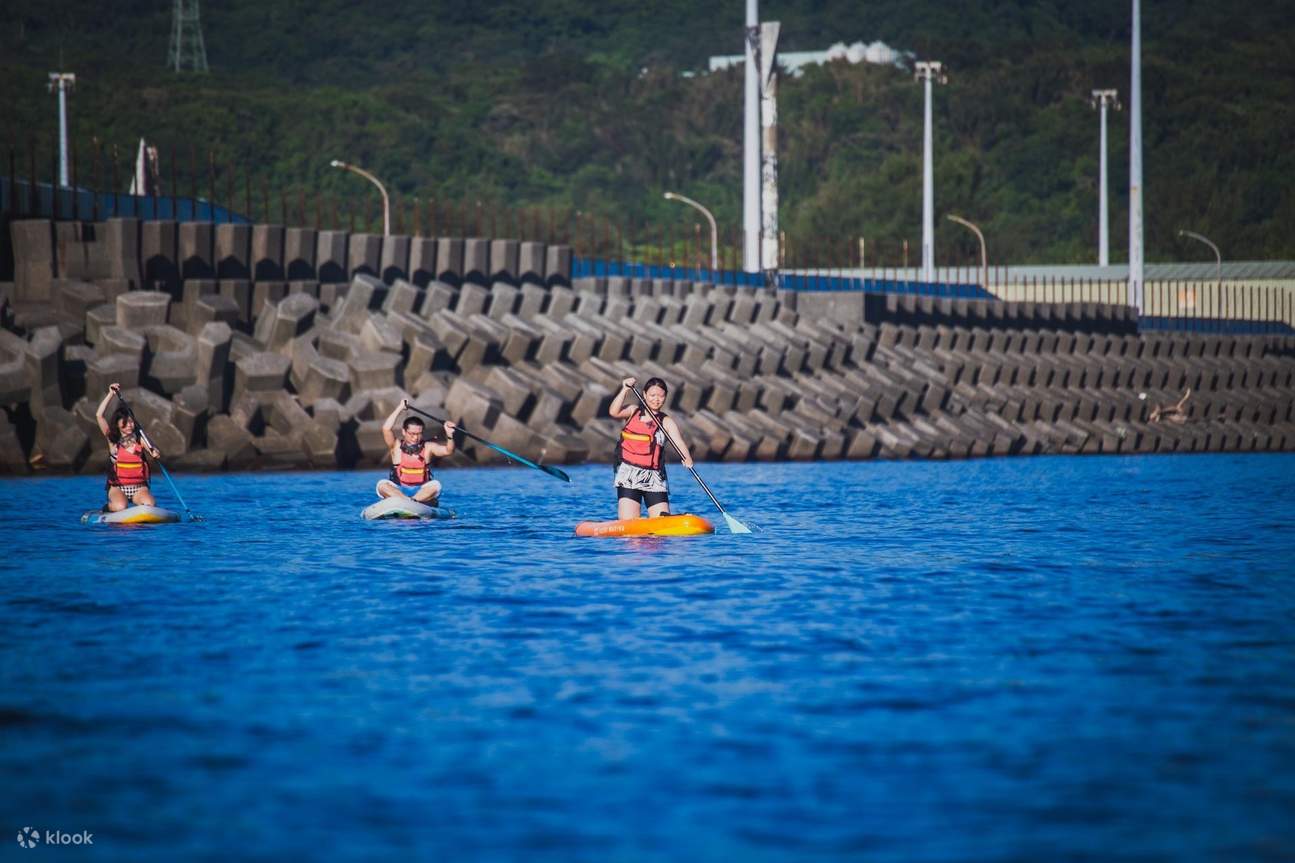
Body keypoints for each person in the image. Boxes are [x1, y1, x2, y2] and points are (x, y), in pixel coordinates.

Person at [608, 376, 696, 520]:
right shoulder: (633, 411)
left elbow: (679, 442)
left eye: (661, 396)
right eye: (652, 395)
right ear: (644, 395)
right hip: (628, 475)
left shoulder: (666, 421)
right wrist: (624, 389)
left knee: (661, 522)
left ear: (665, 397)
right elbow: (614, 412)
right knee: (629, 525)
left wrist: (687, 458)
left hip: (654, 477)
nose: (656, 399)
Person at [95, 383, 161, 511]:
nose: (129, 425)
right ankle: (108, 508)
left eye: (131, 421)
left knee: (150, 505)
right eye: (125, 422)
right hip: (117, 486)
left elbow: (152, 449)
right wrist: (110, 394)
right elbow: (99, 416)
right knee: (120, 506)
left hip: (139, 487)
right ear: (118, 423)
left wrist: (155, 453)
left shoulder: (140, 438)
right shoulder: (112, 439)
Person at [377, 399, 456, 505]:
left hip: (421, 492)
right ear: (404, 431)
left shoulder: (428, 447)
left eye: (419, 434)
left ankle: (412, 501)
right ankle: (406, 501)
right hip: (399, 490)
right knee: (381, 485)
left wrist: (449, 435)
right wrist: (400, 408)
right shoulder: (396, 445)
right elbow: (386, 429)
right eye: (412, 434)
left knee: (436, 485)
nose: (415, 437)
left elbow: (448, 450)